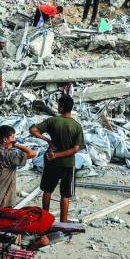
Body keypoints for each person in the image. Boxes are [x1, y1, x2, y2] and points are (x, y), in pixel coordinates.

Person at [30, 94, 84, 222]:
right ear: (71, 108)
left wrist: (48, 141)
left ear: (60, 108)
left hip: (52, 162)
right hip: (68, 164)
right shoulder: (77, 126)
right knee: (65, 195)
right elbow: (76, 149)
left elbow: (33, 130)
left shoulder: (52, 121)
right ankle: (63, 222)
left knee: (47, 190)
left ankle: (44, 219)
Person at [0, 124, 37, 210]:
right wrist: (15, 145)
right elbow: (33, 153)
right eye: (12, 137)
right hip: (2, 200)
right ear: (5, 139)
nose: (15, 139)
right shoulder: (8, 155)